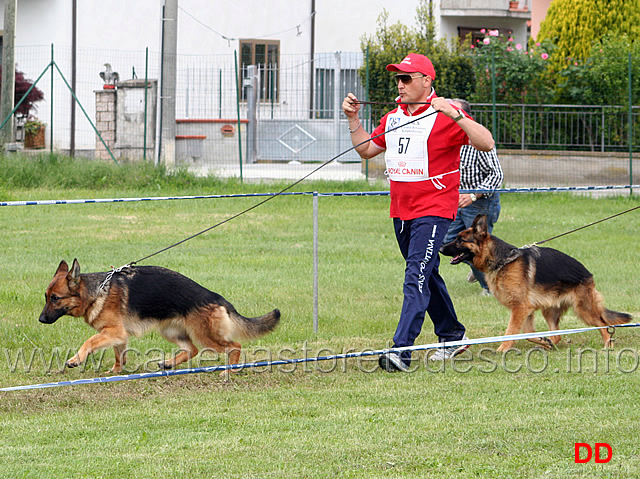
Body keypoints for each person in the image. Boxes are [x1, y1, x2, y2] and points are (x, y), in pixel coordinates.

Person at [342, 53, 495, 371]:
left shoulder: (445, 116)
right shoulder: (393, 117)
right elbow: (367, 150)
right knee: (427, 273)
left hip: (434, 210)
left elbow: (486, 143)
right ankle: (453, 335)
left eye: (406, 78)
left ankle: (401, 350)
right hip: (400, 211)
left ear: (427, 81)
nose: (400, 84)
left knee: (415, 277)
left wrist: (456, 115)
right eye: (397, 78)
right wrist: (353, 120)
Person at [443, 99, 504, 296]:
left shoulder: (478, 140)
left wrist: (473, 195)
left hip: (481, 204)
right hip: (455, 201)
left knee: (480, 249)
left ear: (466, 117)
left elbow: (497, 176)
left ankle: (490, 289)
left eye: (453, 112)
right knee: (445, 240)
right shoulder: (446, 137)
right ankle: (472, 265)